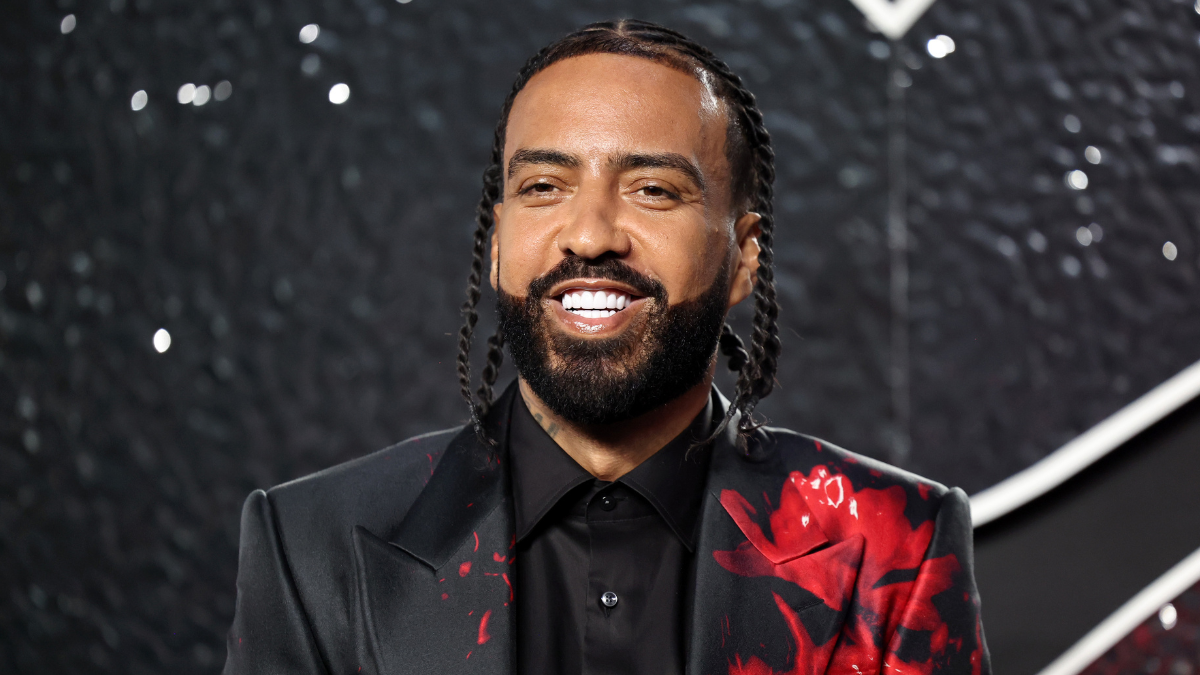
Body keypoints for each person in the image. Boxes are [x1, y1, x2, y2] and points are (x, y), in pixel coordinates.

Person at [223, 19, 989, 675]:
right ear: (497, 243)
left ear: (743, 257)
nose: (590, 235)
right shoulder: (312, 544)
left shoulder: (895, 544)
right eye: (543, 187)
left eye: (653, 189)